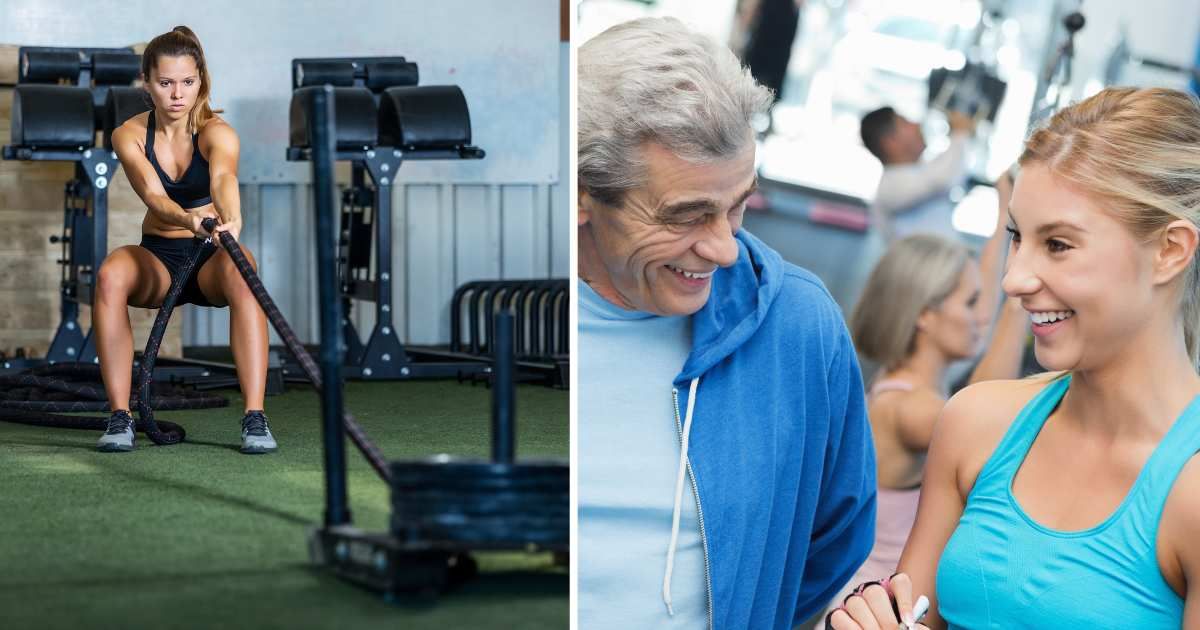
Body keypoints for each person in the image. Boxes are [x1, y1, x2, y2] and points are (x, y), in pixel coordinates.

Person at [830, 87, 1200, 629]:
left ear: (1169, 250)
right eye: (1017, 238)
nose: (1013, 279)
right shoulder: (975, 422)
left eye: (1058, 245)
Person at [577, 16, 876, 629]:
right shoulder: (504, 312)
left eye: (738, 205)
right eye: (687, 215)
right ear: (582, 195)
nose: (723, 248)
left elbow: (831, 540)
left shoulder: (798, 325)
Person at [821, 179, 1028, 620]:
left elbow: (987, 296)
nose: (982, 316)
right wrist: (1020, 307)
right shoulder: (908, 408)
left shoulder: (910, 384)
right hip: (869, 616)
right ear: (926, 317)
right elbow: (987, 417)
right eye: (970, 302)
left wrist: (1005, 224)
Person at [95, 26, 275, 454]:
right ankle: (120, 417)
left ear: (201, 80)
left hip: (211, 260)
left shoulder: (218, 131)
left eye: (188, 82)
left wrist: (233, 217)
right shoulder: (129, 134)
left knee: (246, 270)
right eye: (166, 82)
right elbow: (154, 197)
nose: (178, 94)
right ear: (147, 83)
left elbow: (224, 178)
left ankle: (254, 417)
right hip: (159, 257)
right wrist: (190, 219)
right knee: (109, 276)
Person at [860, 107, 975, 242]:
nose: (916, 125)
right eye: (905, 123)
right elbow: (943, 178)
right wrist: (960, 133)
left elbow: (944, 168)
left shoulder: (916, 172)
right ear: (890, 142)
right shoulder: (890, 187)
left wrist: (958, 133)